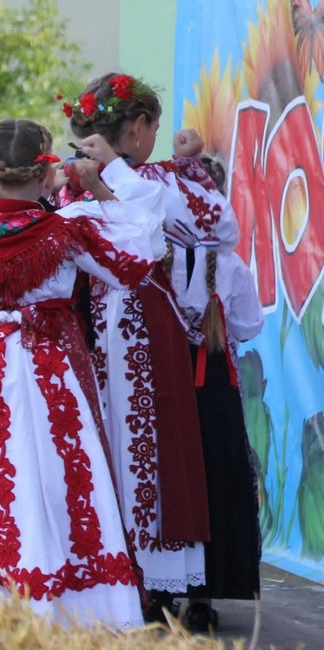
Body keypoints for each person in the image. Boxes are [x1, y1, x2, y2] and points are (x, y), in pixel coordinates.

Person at [0, 119, 154, 628]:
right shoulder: (68, 231)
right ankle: (62, 597)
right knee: (48, 470)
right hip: (43, 363)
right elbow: (135, 262)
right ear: (47, 173)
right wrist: (102, 190)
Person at [57, 72, 240, 623]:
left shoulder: (160, 181)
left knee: (151, 452)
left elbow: (211, 231)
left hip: (150, 337)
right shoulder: (76, 183)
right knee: (118, 449)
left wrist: (127, 172)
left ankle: (157, 582)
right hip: (107, 334)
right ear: (138, 127)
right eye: (152, 127)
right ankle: (128, 581)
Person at [162, 129, 264, 632]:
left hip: (167, 379)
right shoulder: (232, 265)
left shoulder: (161, 258)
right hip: (216, 383)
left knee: (167, 479)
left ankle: (158, 589)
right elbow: (248, 326)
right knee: (217, 480)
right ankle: (206, 594)